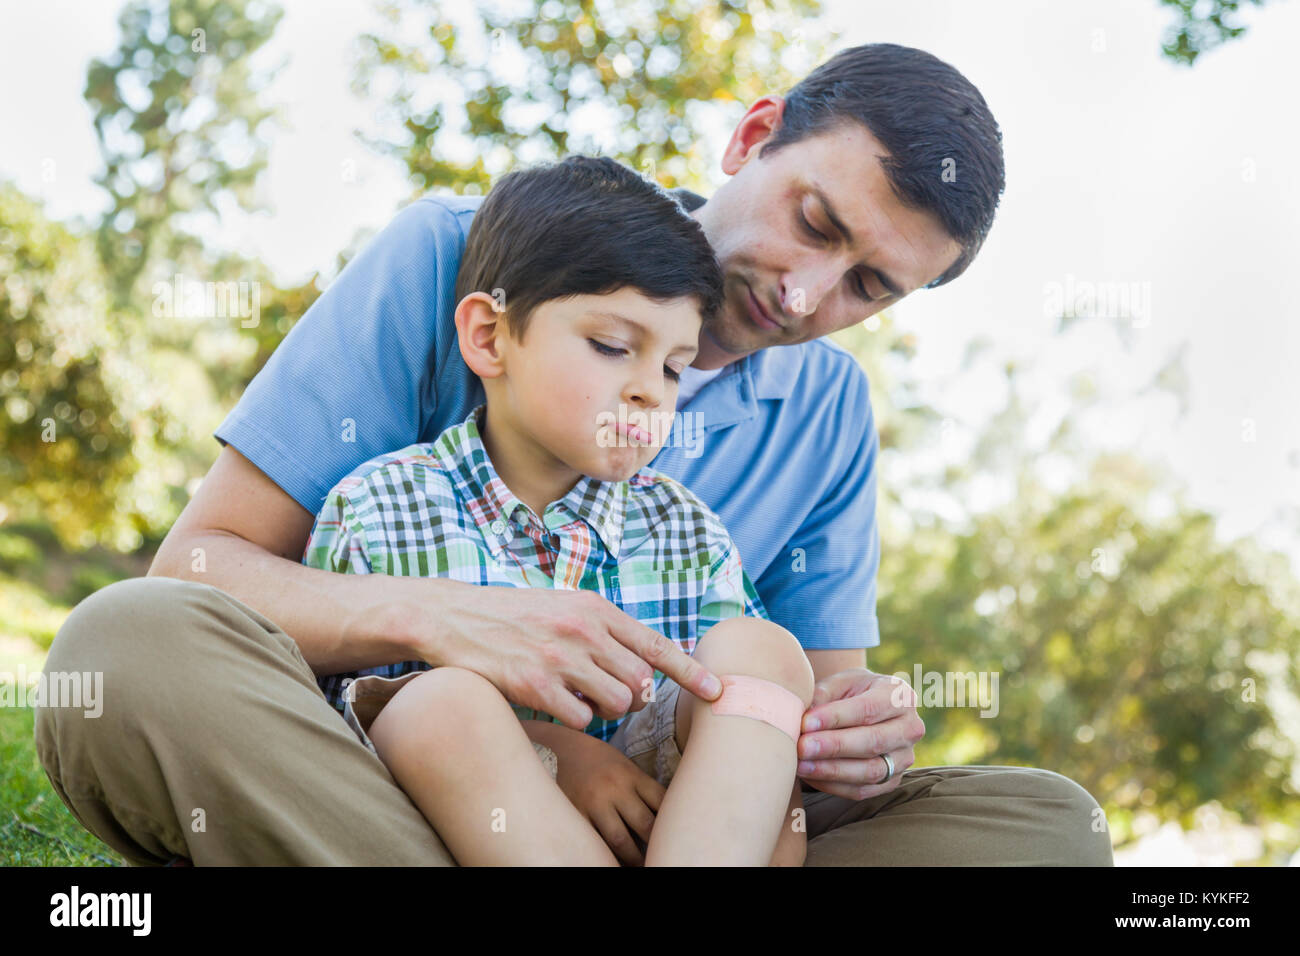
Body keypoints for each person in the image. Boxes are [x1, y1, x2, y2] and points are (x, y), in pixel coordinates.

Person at [35, 42, 1113, 865]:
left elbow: (796, 713)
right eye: (815, 220)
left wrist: (856, 734)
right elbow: (201, 570)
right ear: (752, 138)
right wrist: (438, 619)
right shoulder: (462, 257)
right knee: (126, 646)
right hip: (393, 784)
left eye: (867, 286)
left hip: (674, 823)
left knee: (1047, 828)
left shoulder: (825, 408)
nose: (803, 293)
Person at [305, 155, 813, 865]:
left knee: (763, 652)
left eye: (673, 367)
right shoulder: (378, 507)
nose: (650, 392)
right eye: (612, 347)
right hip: (446, 821)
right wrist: (546, 750)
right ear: (489, 337)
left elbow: (757, 753)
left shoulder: (686, 531)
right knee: (437, 706)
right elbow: (322, 729)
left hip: (668, 829)